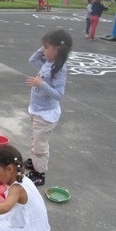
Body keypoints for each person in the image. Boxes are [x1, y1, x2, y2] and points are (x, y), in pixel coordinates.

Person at [24, 29, 73, 186]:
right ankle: (34, 161)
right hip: (37, 110)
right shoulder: (48, 62)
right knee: (36, 138)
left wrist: (41, 84)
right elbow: (32, 59)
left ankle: (40, 174)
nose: (43, 51)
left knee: (40, 145)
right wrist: (44, 47)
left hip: (45, 115)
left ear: (57, 50)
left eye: (46, 48)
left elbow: (59, 94)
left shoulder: (59, 70)